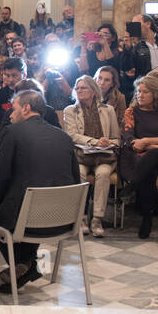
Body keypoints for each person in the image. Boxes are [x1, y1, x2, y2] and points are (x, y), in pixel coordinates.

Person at [0, 90, 81, 295]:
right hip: (63, 219)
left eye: (14, 109)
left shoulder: (12, 132)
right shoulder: (63, 137)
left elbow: (1, 176)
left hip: (27, 219)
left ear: (26, 108)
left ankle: (24, 264)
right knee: (25, 209)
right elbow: (75, 178)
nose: (10, 115)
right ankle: (25, 266)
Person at [120, 75, 158, 239]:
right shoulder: (131, 111)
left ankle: (132, 185)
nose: (140, 95)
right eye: (138, 91)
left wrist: (146, 141)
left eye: (145, 92)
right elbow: (129, 139)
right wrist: (154, 145)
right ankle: (147, 218)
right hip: (136, 156)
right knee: (149, 168)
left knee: (153, 156)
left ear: (155, 94)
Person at [63, 75, 121, 237]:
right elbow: (72, 135)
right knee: (80, 173)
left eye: (83, 88)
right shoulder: (70, 110)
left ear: (93, 91)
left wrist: (106, 142)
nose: (79, 90)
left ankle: (97, 218)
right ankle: (81, 217)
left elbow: (117, 138)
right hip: (81, 155)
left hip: (104, 156)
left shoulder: (108, 110)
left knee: (103, 174)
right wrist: (95, 141)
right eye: (77, 88)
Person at [0, 56, 26, 145]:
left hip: (27, 136)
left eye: (14, 75)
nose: (11, 80)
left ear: (24, 75)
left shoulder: (32, 95)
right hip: (4, 136)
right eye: (7, 75)